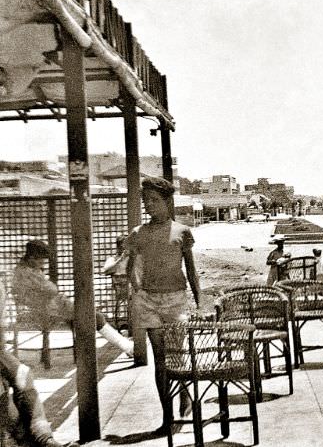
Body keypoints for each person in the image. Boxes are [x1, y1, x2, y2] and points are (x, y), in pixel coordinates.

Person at [126, 177, 200, 436]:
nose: (149, 205)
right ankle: (167, 418)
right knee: (160, 361)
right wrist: (138, 290)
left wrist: (199, 301)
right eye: (145, 201)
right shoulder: (138, 234)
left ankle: (183, 393)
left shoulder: (182, 232)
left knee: (177, 356)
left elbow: (190, 269)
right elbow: (130, 267)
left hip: (176, 300)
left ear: (167, 202)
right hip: (149, 302)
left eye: (154, 201)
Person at [11, 240, 133, 356]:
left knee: (93, 316)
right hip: (51, 310)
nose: (43, 264)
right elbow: (52, 289)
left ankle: (126, 346)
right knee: (95, 317)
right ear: (32, 258)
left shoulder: (22, 270)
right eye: (41, 261)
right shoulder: (29, 273)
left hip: (52, 306)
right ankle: (127, 347)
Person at [102, 235, 131, 329]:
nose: (123, 249)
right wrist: (119, 260)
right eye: (121, 247)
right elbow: (105, 271)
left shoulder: (131, 259)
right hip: (121, 288)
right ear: (118, 247)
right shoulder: (112, 259)